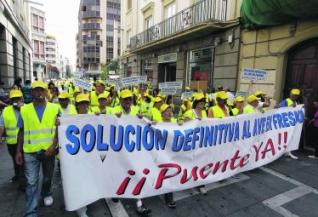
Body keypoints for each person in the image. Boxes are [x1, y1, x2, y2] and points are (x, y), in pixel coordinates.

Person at [15, 81, 60, 217]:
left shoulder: (54, 108)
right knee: (31, 182)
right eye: (36, 90)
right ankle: (31, 211)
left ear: (46, 92)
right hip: (30, 152)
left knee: (47, 178)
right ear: (32, 92)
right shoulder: (24, 110)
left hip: (49, 151)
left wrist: (53, 146)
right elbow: (21, 132)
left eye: (42, 90)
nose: (39, 93)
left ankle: (46, 193)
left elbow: (60, 129)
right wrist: (18, 151)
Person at [183, 92, 208, 194]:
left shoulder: (205, 112)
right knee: (190, 162)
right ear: (196, 102)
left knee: (201, 162)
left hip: (203, 141)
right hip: (192, 142)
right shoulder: (189, 113)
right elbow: (185, 127)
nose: (202, 103)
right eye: (200, 102)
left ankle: (200, 184)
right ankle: (187, 180)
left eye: (203, 102)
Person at [0, 90, 24, 184]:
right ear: (10, 100)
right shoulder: (6, 111)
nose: (16, 100)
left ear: (22, 99)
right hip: (11, 142)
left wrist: (22, 109)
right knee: (15, 161)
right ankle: (18, 176)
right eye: (14, 99)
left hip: (24, 141)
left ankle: (22, 181)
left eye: (18, 98)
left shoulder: (26, 109)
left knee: (23, 163)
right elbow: (1, 125)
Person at [278, 89, 301, 159]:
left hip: (293, 123)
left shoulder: (297, 102)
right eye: (293, 94)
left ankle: (288, 152)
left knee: (290, 137)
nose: (294, 96)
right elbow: (279, 109)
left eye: (296, 95)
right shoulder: (286, 101)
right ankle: (281, 151)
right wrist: (290, 107)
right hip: (285, 124)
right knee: (283, 137)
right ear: (290, 94)